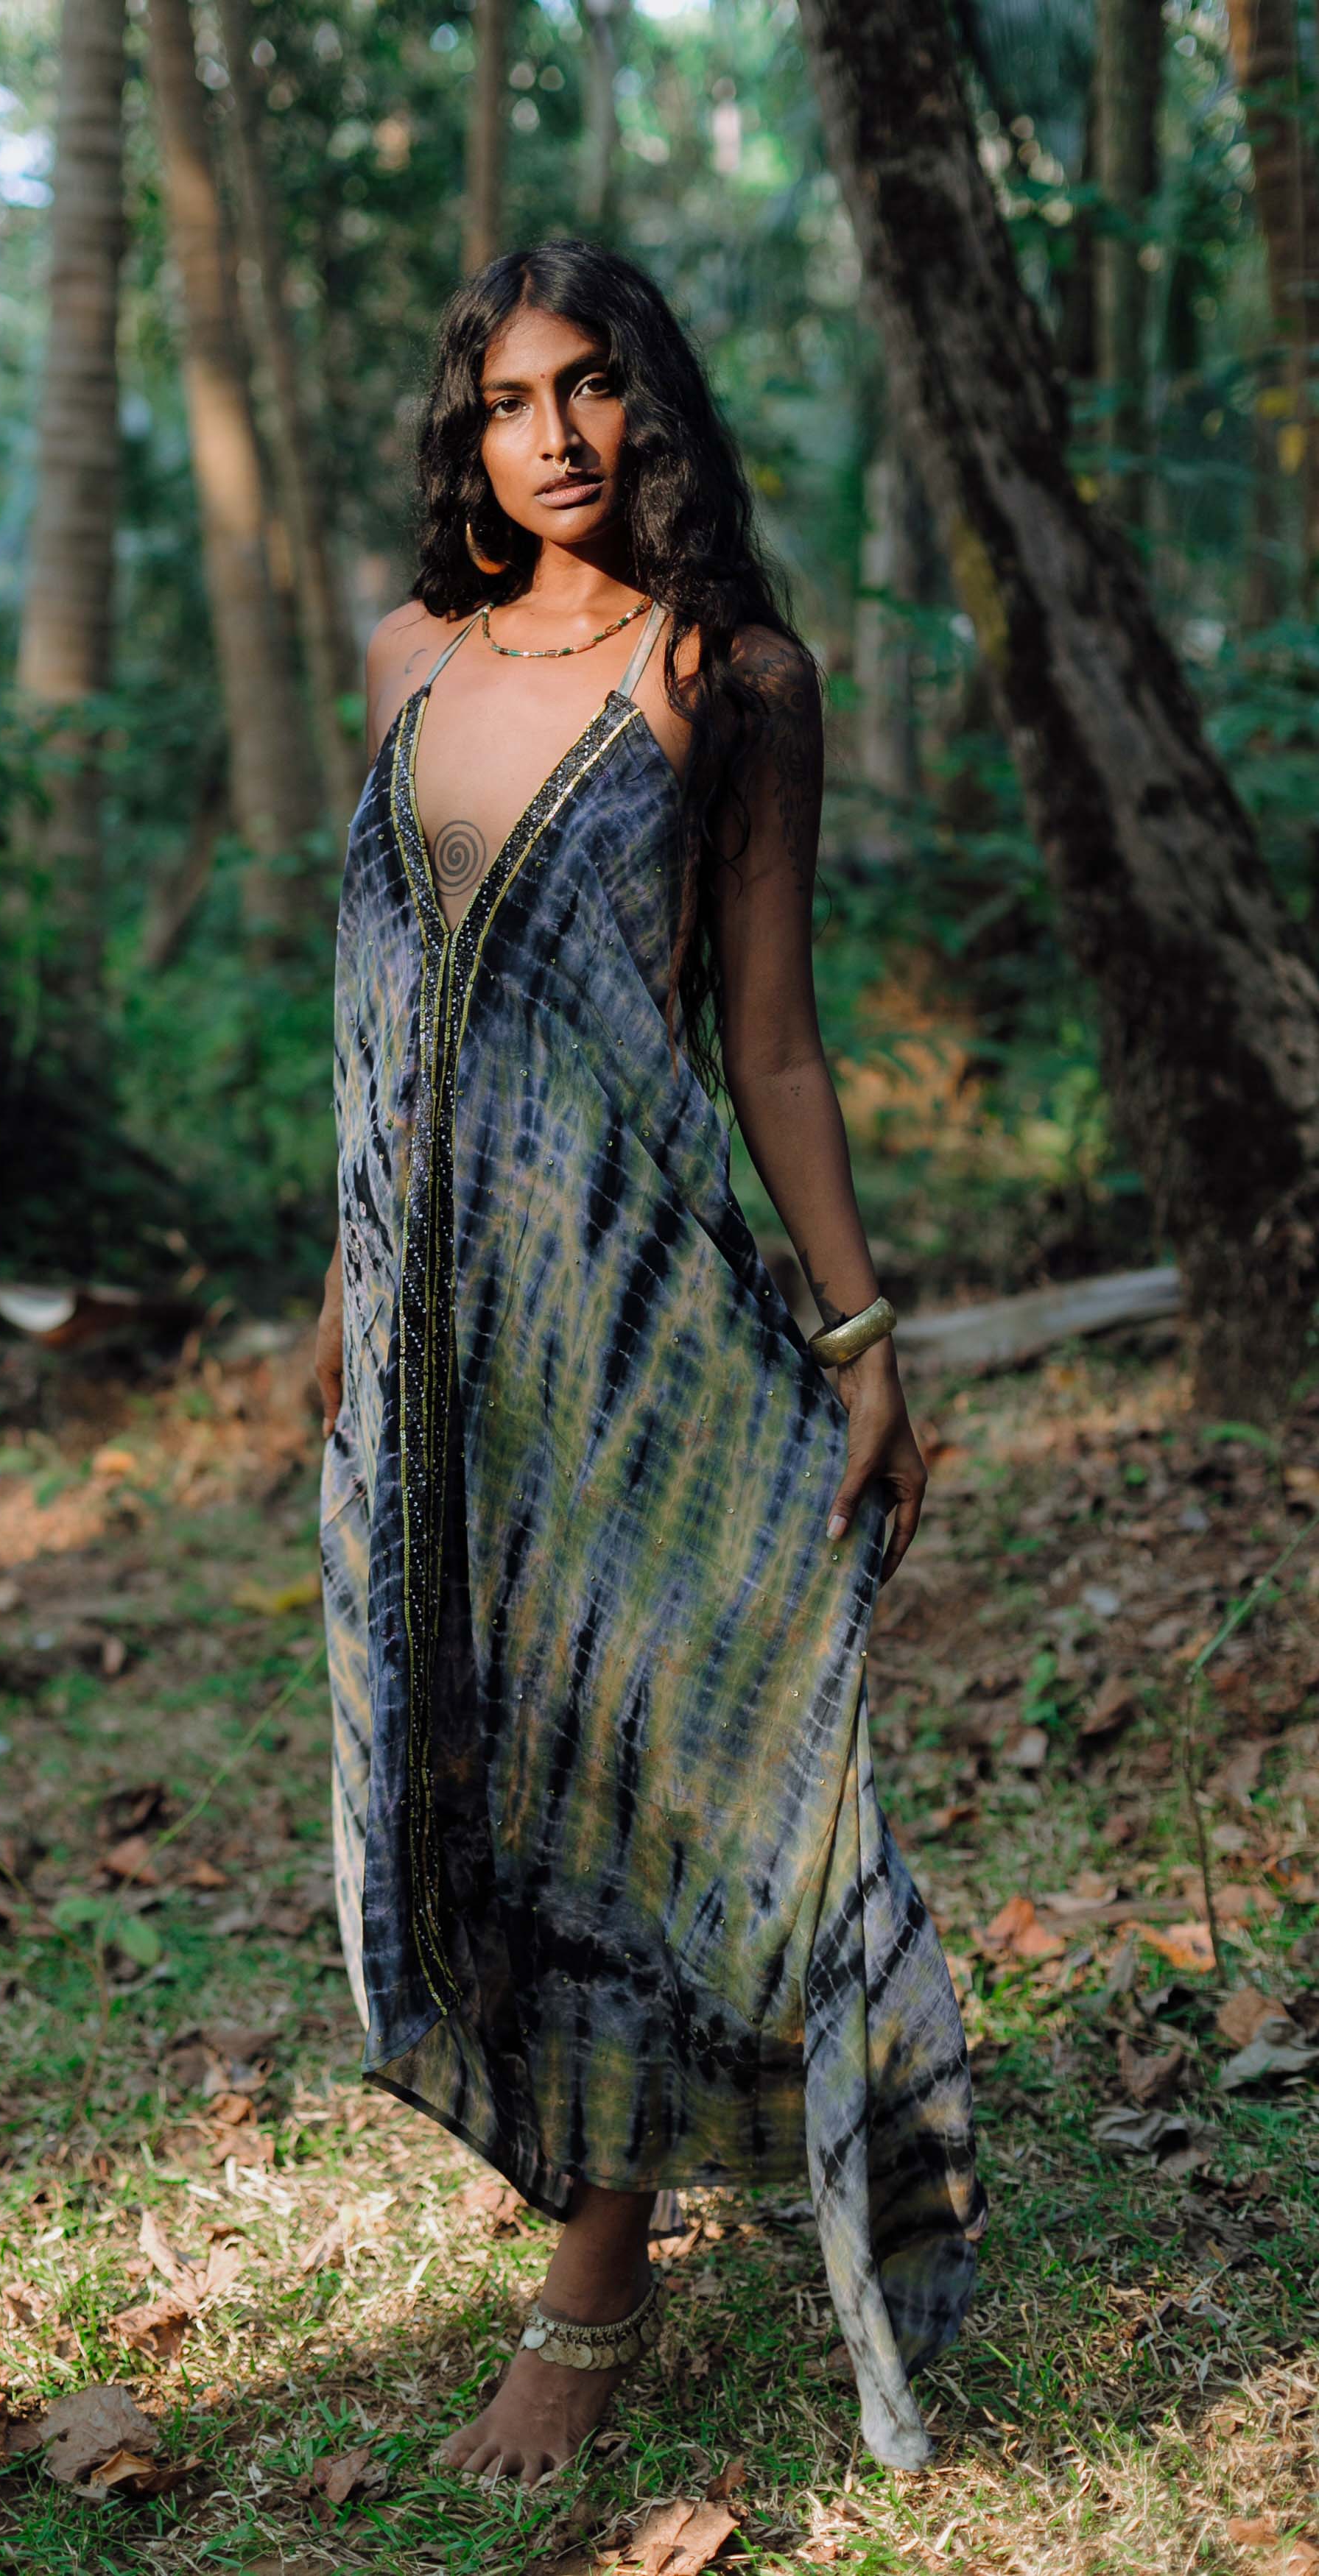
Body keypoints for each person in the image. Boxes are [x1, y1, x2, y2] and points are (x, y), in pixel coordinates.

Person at [312, 239, 985, 2488]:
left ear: (653, 402)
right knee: (470, 1762)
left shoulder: (734, 678)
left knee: (638, 1756)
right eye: (512, 400)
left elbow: (770, 1041)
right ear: (471, 435)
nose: (558, 434)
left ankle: (595, 2277)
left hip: (636, 1308)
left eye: (593, 385)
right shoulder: (408, 658)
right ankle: (607, 2160)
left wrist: (863, 1336)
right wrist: (344, 1290)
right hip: (434, 1338)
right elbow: (376, 1009)